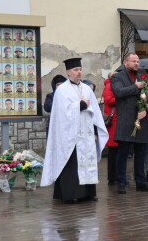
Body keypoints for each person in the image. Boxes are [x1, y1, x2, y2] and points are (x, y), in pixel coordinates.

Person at [41, 58, 108, 203]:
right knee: (71, 164)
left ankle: (88, 193)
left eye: (80, 70)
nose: (79, 72)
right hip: (69, 135)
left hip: (87, 133)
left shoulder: (87, 88)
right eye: (76, 70)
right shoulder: (62, 90)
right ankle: (70, 194)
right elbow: (62, 113)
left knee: (88, 162)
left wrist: (96, 131)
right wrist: (81, 105)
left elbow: (96, 111)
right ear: (68, 72)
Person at [111, 53, 148, 194]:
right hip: (126, 121)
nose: (136, 64)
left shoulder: (142, 76)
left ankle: (141, 182)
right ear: (125, 62)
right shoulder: (118, 76)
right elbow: (118, 92)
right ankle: (121, 182)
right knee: (122, 154)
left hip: (141, 121)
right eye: (133, 61)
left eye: (137, 61)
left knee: (140, 154)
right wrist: (136, 87)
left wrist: (146, 110)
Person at [102, 71, 118, 186]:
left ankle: (117, 176)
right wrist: (121, 98)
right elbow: (109, 100)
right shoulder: (109, 86)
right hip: (113, 123)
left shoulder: (115, 86)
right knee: (113, 152)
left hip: (118, 122)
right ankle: (112, 178)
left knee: (118, 152)